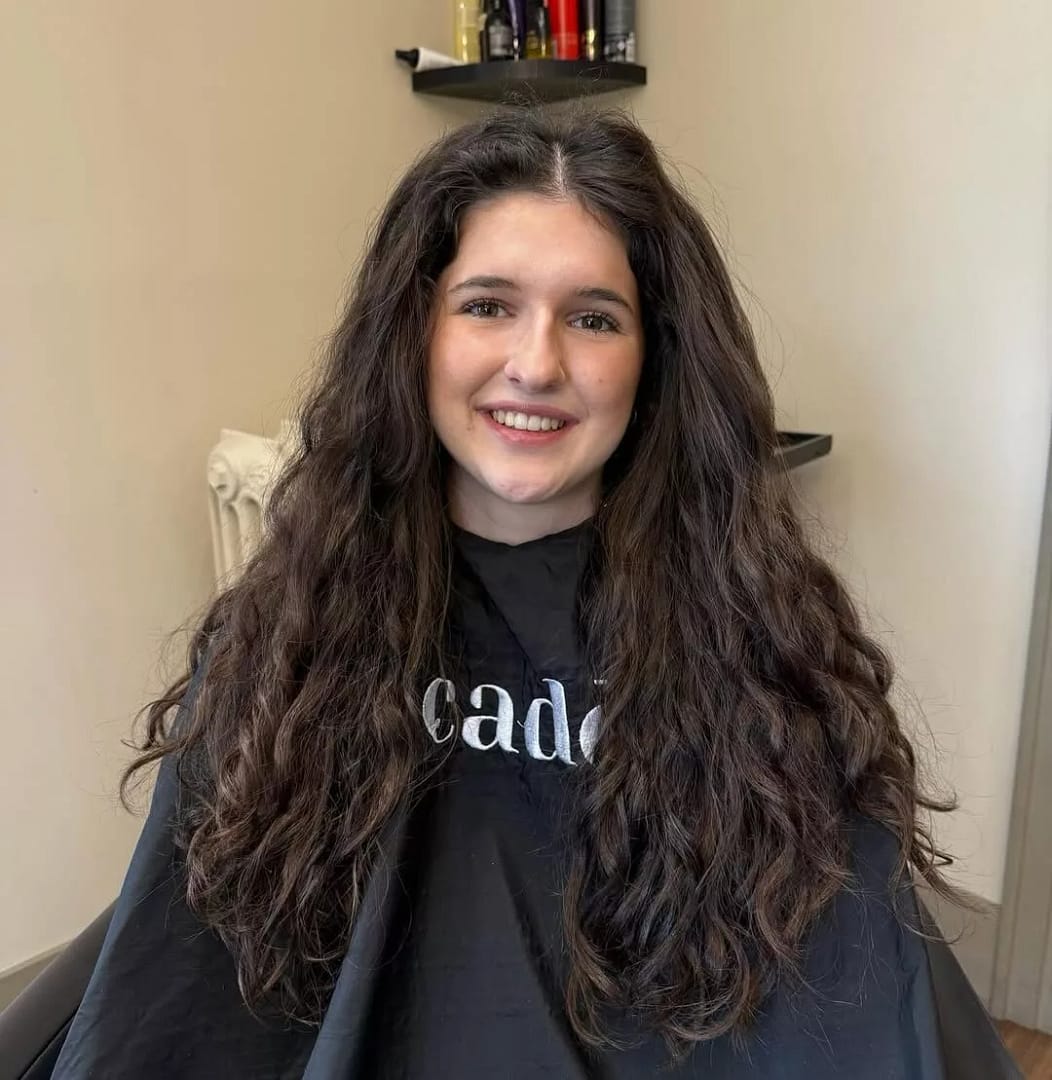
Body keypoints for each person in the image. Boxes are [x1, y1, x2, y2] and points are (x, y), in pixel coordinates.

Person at [48, 106, 1016, 1078]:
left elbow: (844, 1014)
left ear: (654, 357)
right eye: (487, 305)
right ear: (416, 330)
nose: (536, 364)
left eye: (593, 318)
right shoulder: (292, 634)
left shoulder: (758, 653)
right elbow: (180, 998)